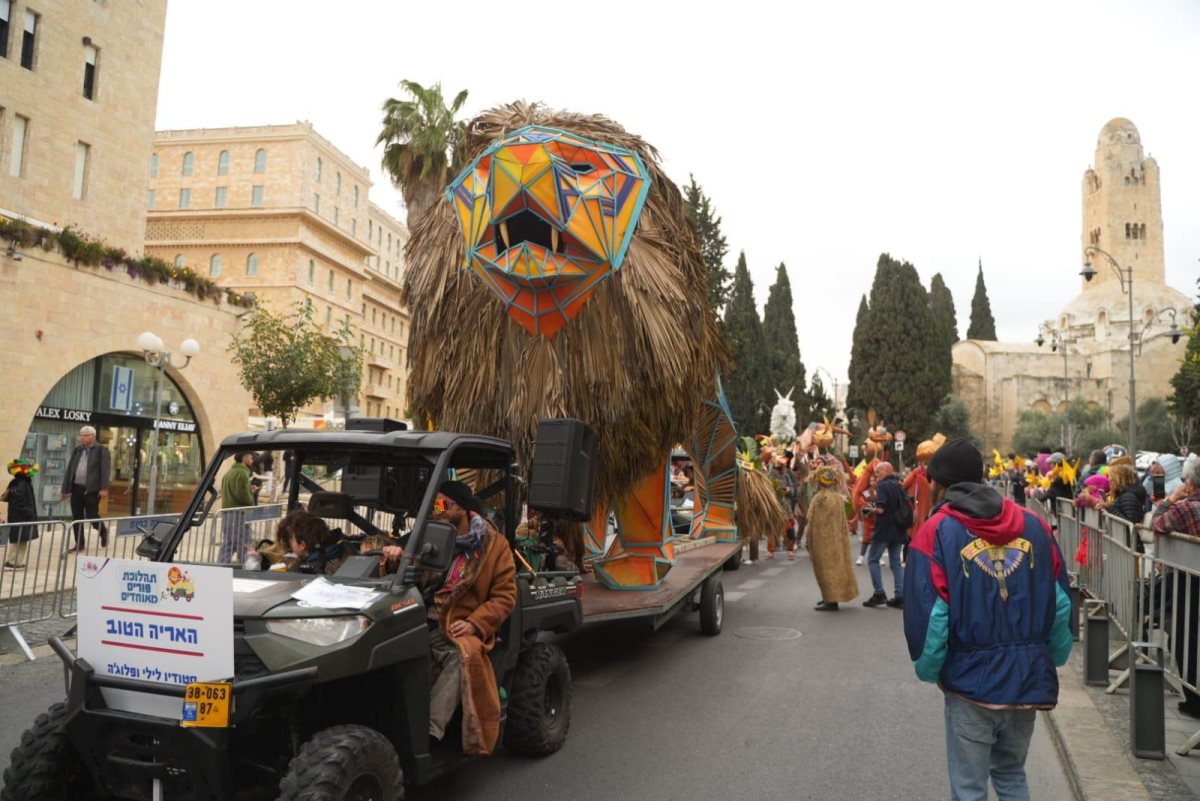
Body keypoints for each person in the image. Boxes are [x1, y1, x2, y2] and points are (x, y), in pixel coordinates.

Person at [904, 438, 1073, 801]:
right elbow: (1060, 601)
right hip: (1028, 678)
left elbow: (932, 614)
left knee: (969, 787)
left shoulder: (936, 532)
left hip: (971, 682)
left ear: (940, 484)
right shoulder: (1035, 525)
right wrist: (1049, 658)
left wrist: (931, 669)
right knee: (1012, 775)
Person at [383, 480, 517, 755]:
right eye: (434, 505)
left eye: (444, 504)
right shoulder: (428, 537)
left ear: (464, 508)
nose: (438, 510)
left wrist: (475, 623)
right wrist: (396, 558)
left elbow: (505, 597)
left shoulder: (495, 546)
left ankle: (427, 731)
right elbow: (408, 574)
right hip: (418, 617)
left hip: (457, 625)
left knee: (463, 655)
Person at [1150, 458, 1200, 717]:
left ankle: (1194, 698)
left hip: (1188, 584)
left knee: (1185, 637)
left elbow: (1157, 523)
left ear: (1191, 484)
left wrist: (1170, 500)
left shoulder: (1186, 508)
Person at [803, 462, 859, 610]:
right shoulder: (838, 498)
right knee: (836, 568)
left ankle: (831, 601)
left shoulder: (819, 499)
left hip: (822, 541)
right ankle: (828, 596)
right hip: (837, 540)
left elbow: (811, 519)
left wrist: (808, 539)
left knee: (825, 570)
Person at [862, 461, 905, 609]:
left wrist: (869, 509)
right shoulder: (899, 485)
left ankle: (879, 593)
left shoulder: (883, 486)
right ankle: (900, 596)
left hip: (884, 529)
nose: (876, 475)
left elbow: (881, 509)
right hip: (899, 530)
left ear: (887, 470)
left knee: (873, 559)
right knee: (896, 563)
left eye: (878, 472)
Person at [61, 425, 111, 552]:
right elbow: (70, 470)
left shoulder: (101, 450)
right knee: (76, 517)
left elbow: (105, 471)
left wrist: (104, 488)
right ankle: (80, 544)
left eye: (85, 435)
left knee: (92, 515)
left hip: (92, 490)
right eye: (81, 435)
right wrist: (65, 489)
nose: (82, 438)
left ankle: (103, 531)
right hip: (76, 488)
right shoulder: (78, 450)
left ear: (93, 436)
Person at [218, 452, 255, 564]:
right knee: (243, 543)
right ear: (245, 458)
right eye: (251, 457)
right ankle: (246, 568)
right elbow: (243, 496)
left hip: (227, 514)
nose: (252, 460)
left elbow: (234, 492)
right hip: (239, 515)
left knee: (228, 544)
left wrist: (249, 490)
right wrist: (250, 496)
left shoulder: (228, 473)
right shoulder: (242, 473)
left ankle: (221, 566)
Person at [4, 458, 40, 570]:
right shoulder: (20, 484)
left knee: (22, 540)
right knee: (17, 540)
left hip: (22, 518)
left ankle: (17, 563)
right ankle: (11, 563)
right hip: (20, 518)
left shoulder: (23, 483)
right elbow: (18, 502)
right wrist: (29, 513)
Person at [767, 454, 799, 560]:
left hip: (785, 507)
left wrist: (789, 490)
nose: (785, 467)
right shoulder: (770, 476)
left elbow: (793, 489)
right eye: (783, 465)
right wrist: (779, 490)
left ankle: (790, 551)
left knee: (789, 529)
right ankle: (770, 551)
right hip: (774, 506)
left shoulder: (786, 476)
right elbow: (768, 490)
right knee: (772, 529)